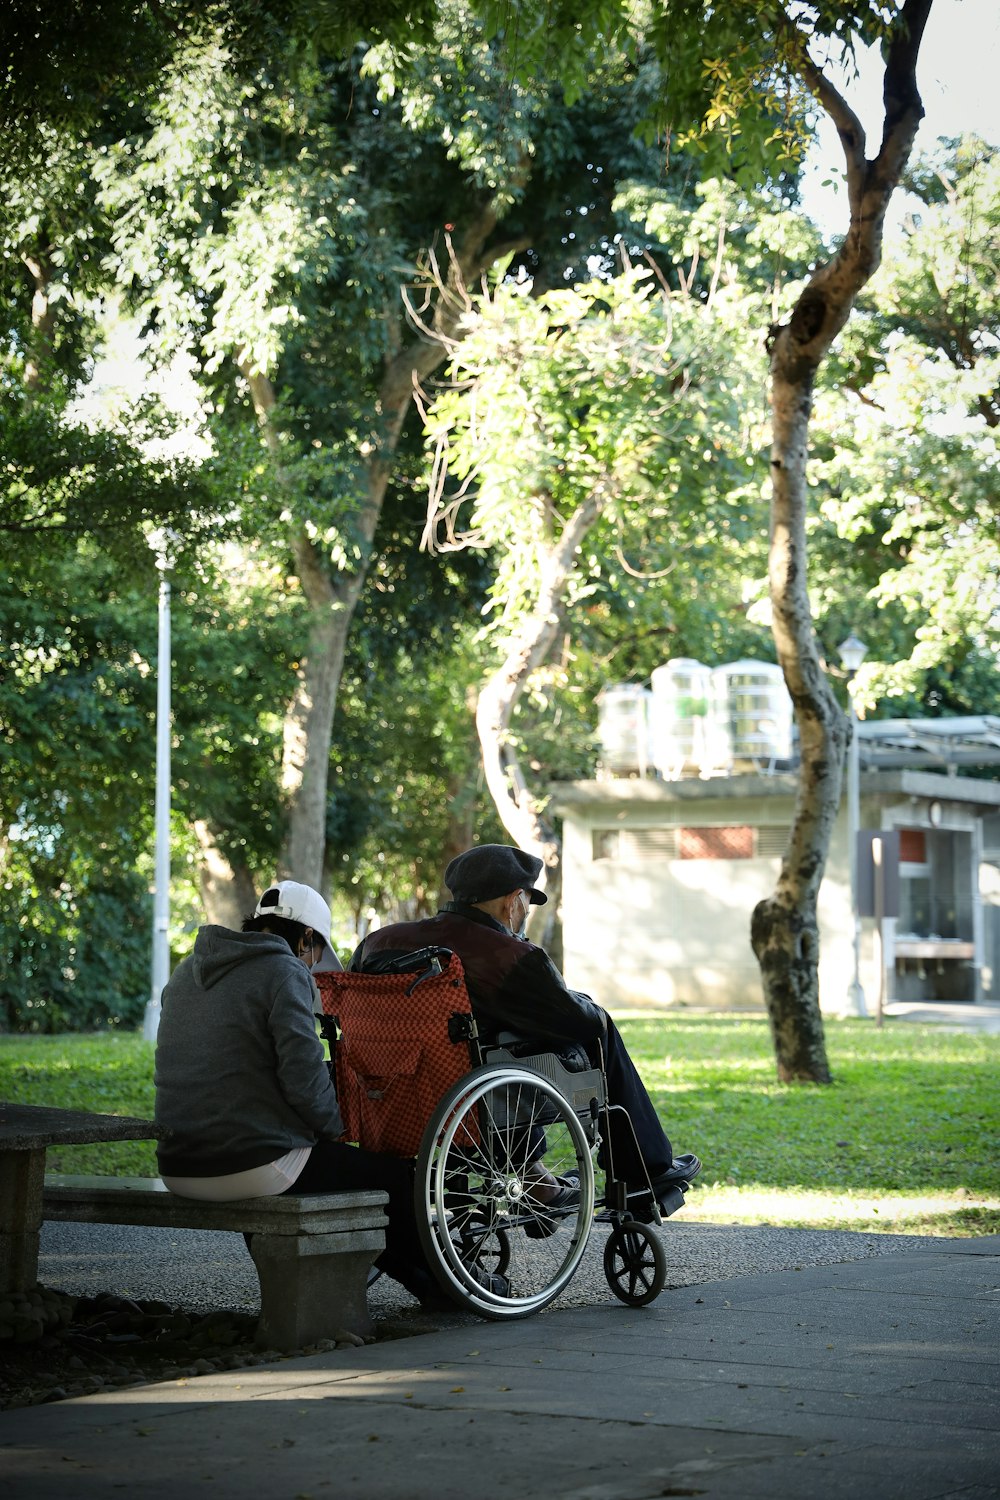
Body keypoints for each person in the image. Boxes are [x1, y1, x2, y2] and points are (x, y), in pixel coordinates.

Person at [350, 844, 700, 1222]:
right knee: (600, 1028)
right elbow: (577, 1021)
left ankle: (539, 1180)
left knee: (489, 1055)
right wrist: (586, 1004)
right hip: (474, 1094)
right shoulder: (507, 954)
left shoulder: (378, 942)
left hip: (389, 1090)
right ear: (513, 901)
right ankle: (645, 1168)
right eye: (527, 904)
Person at [153, 879, 452, 1305]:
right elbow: (303, 1077)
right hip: (250, 1163)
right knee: (394, 1179)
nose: (312, 965)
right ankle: (445, 1287)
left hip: (179, 1164)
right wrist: (333, 1128)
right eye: (314, 954)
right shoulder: (284, 970)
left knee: (343, 1174)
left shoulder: (185, 972)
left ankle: (428, 1287)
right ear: (306, 938)